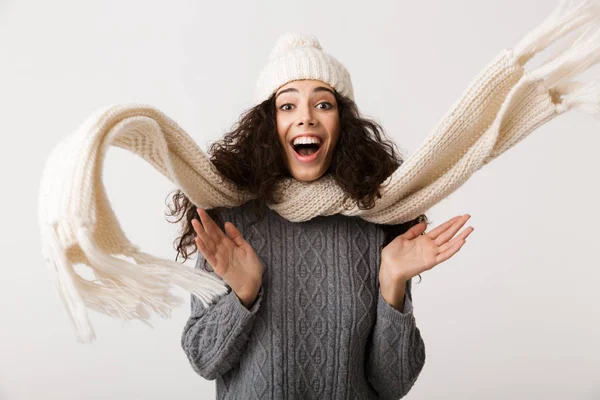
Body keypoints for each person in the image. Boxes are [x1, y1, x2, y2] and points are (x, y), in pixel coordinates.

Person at [171, 33, 474, 399]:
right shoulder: (231, 219)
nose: (306, 119)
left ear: (343, 124)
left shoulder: (375, 220)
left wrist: (392, 282)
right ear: (267, 126)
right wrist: (244, 295)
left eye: (323, 105)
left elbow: (393, 384)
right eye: (287, 106)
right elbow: (203, 360)